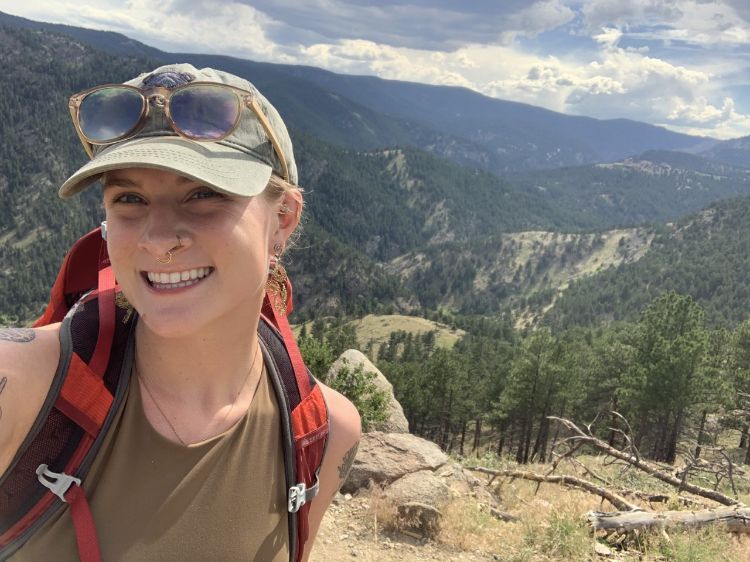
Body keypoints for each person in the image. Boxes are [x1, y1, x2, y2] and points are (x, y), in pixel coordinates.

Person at [0, 63, 361, 560]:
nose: (158, 239)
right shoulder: (20, 390)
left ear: (283, 219)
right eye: (129, 198)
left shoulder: (323, 431)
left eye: (204, 194)